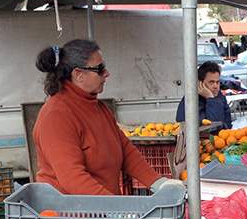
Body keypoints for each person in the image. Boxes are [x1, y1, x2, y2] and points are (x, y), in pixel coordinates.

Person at [33, 39, 180, 196]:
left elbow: (126, 151)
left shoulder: (98, 107)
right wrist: (116, 209)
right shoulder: (56, 116)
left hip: (102, 211)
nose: (107, 73)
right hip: (71, 214)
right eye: (100, 69)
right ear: (78, 75)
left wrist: (158, 183)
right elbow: (73, 179)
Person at [176, 61, 232, 129]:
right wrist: (210, 99)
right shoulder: (190, 100)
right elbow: (213, 127)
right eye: (211, 82)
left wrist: (211, 99)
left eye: (217, 82)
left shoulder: (220, 97)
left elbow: (227, 125)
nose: (215, 86)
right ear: (200, 83)